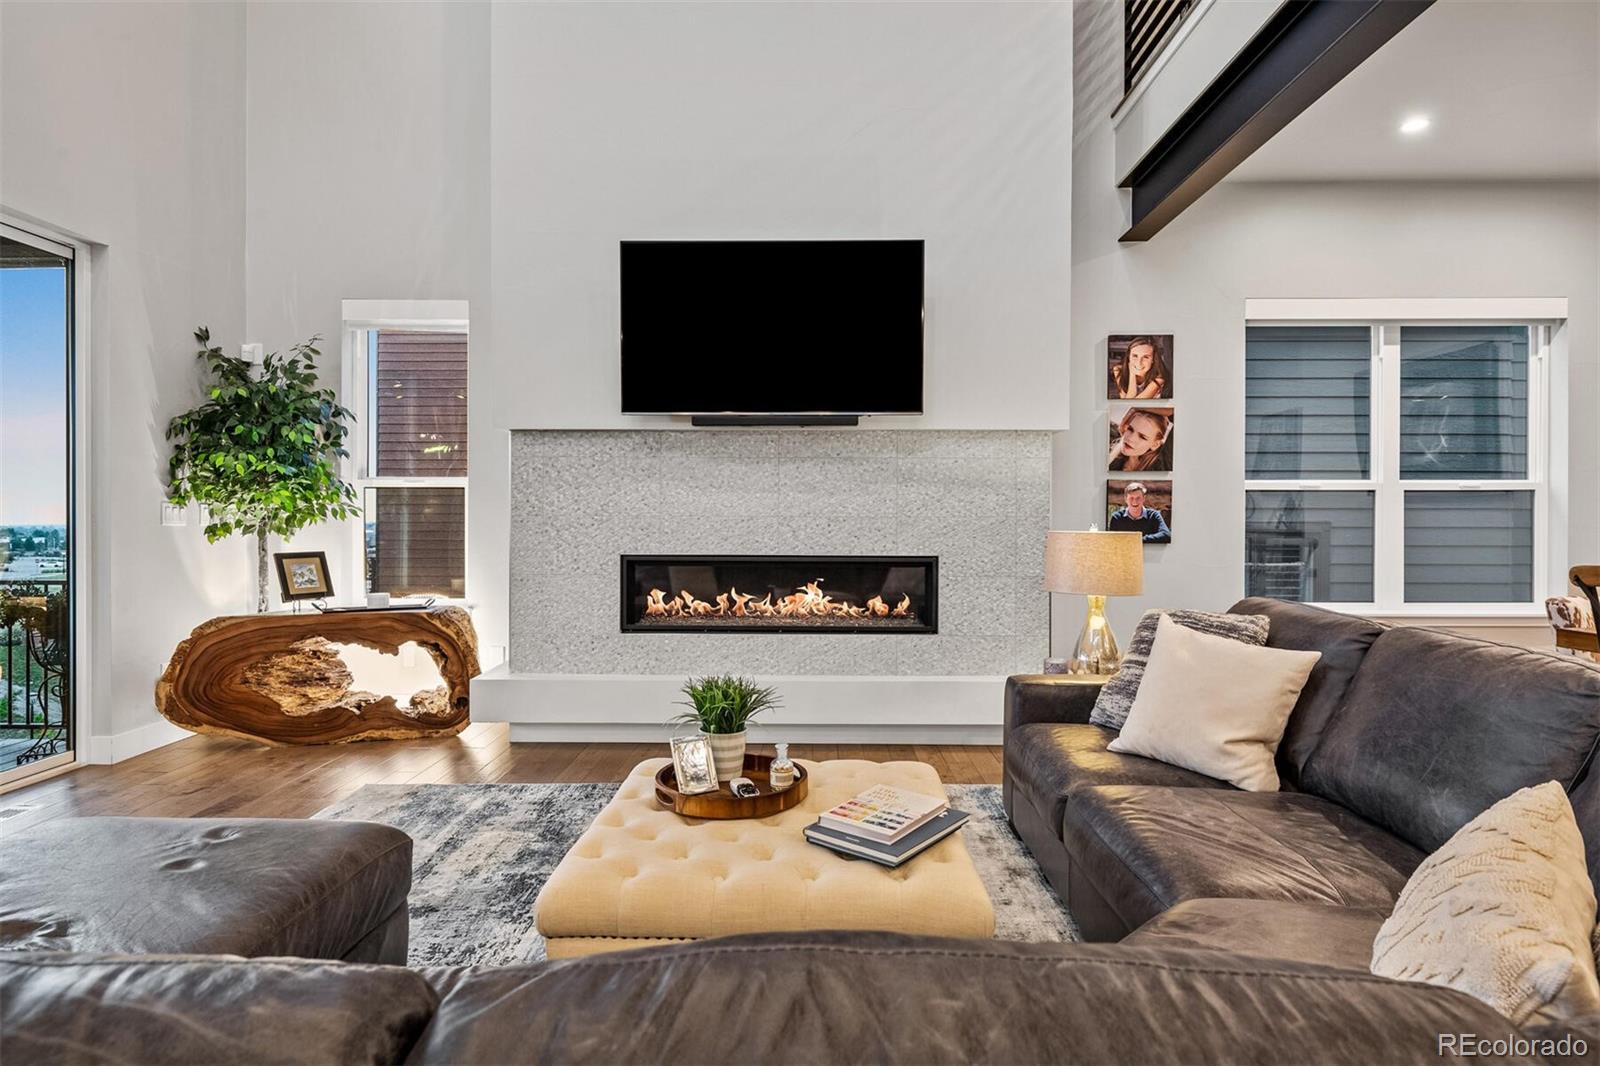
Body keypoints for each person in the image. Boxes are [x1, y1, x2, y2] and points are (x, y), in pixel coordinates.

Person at [1108, 407, 1173, 472]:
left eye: (1142, 437)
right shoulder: (1110, 444)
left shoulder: (1162, 467)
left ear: (1155, 445)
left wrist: (1137, 408)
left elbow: (1177, 413)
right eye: (1130, 429)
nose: (1130, 438)